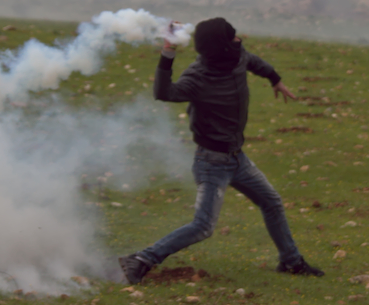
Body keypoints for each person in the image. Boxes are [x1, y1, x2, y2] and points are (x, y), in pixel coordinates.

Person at [118, 18, 323, 284]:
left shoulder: (236, 57)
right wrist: (168, 52)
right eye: (232, 37)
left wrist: (274, 78)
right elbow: (163, 91)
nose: (238, 40)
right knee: (203, 226)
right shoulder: (197, 77)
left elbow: (253, 61)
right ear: (221, 47)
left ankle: (291, 262)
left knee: (271, 202)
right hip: (212, 162)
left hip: (237, 158)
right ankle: (142, 259)